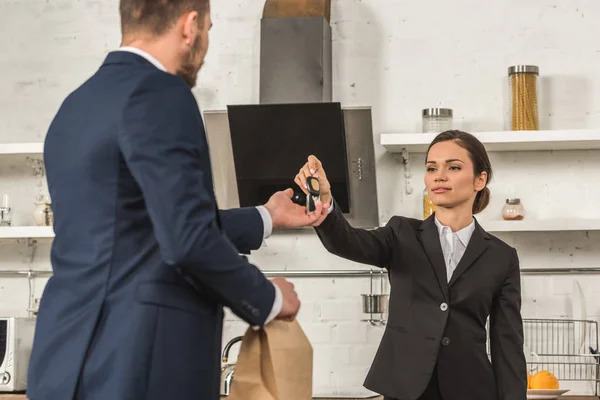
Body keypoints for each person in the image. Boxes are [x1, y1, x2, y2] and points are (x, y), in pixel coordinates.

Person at [26, 1, 329, 399]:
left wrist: (266, 216)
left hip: (64, 362)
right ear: (190, 27)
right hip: (138, 363)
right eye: (208, 29)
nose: (204, 44)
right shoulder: (161, 92)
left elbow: (142, 228)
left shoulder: (75, 106)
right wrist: (268, 299)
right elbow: (186, 239)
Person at [295, 130, 527, 400]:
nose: (439, 176)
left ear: (480, 179)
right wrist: (325, 199)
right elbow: (346, 242)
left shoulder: (501, 256)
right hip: (405, 389)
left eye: (453, 167)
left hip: (472, 388)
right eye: (431, 168)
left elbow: (507, 344)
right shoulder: (401, 233)